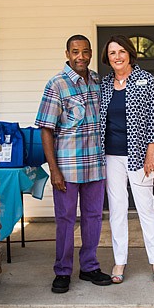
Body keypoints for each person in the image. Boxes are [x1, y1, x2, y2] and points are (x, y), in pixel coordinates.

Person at [35, 34, 112, 294]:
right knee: (65, 220)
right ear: (67, 54)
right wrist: (53, 169)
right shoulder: (57, 84)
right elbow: (46, 129)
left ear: (90, 54)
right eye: (75, 51)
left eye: (85, 51)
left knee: (93, 218)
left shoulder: (99, 82)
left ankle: (89, 266)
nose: (81, 56)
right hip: (67, 168)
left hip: (95, 165)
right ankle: (63, 271)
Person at [99, 34, 154, 284]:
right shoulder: (104, 84)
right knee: (116, 210)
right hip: (110, 157)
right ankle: (119, 261)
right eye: (112, 53)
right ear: (108, 57)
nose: (117, 56)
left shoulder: (146, 80)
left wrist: (151, 153)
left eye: (121, 52)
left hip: (140, 156)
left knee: (145, 208)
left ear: (129, 54)